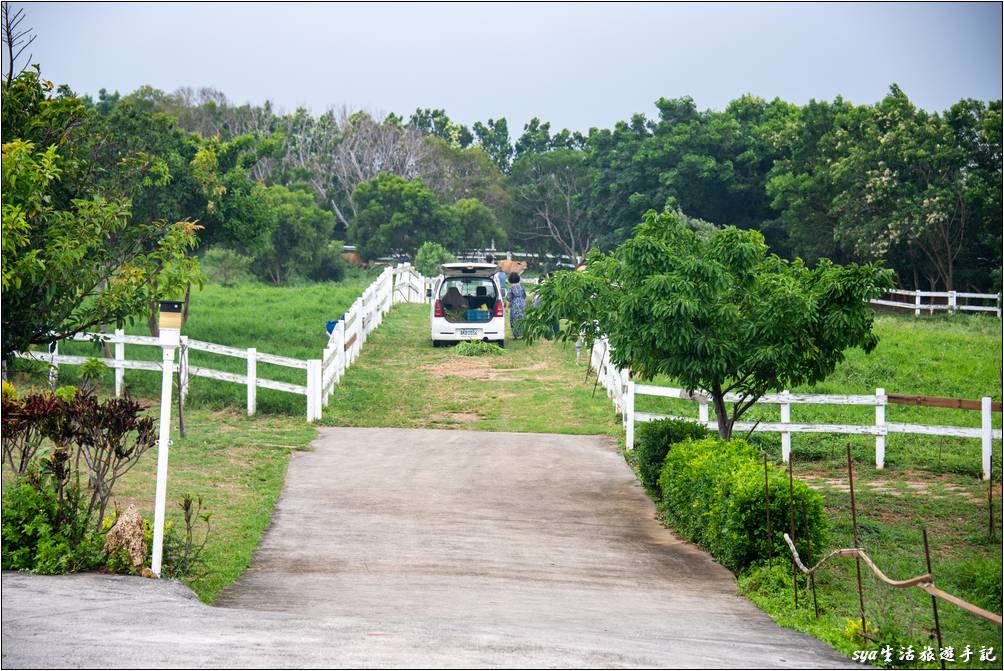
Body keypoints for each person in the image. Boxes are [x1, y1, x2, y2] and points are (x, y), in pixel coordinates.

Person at [506, 271, 527, 339]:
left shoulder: (511, 288)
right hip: (523, 303)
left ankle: (516, 335)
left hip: (515, 304)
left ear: (510, 279)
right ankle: (524, 334)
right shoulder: (522, 287)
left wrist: (506, 308)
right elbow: (524, 296)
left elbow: (508, 299)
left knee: (514, 319)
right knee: (523, 318)